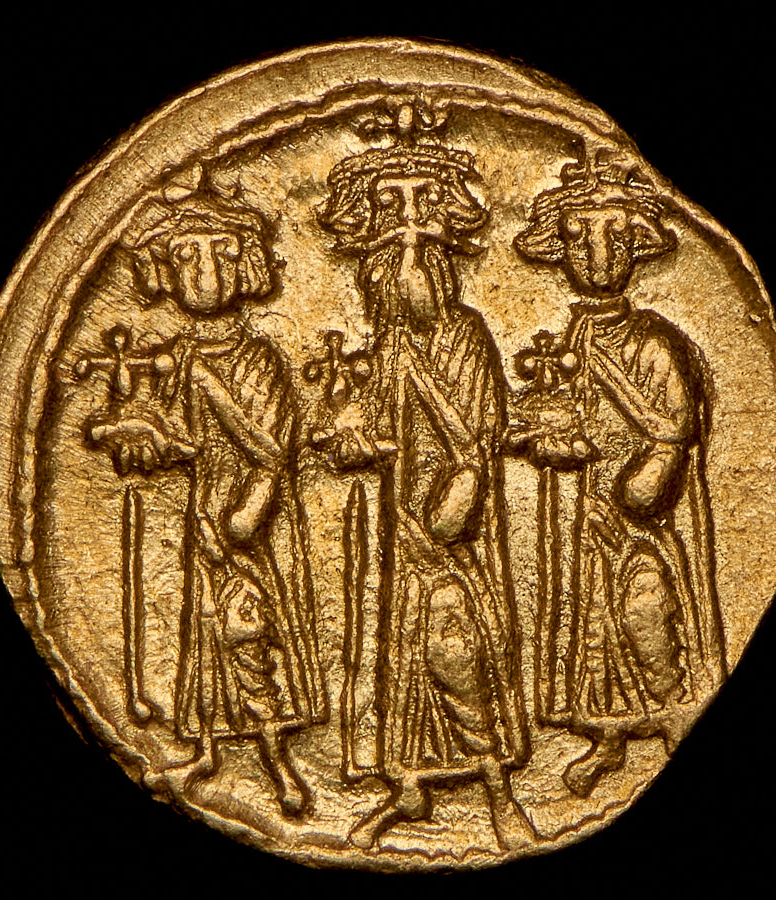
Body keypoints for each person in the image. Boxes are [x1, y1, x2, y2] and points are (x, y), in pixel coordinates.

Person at [316, 101, 534, 851]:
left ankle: (498, 786)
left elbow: (477, 434)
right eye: (392, 255)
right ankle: (409, 788)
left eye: (421, 253)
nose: (406, 271)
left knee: (456, 643)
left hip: (450, 529)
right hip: (397, 526)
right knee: (400, 649)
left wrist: (455, 499)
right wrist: (349, 438)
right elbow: (373, 432)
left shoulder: (467, 335)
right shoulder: (386, 345)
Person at [88, 161, 327, 815]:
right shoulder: (179, 358)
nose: (203, 272)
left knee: (253, 632)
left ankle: (280, 760)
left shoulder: (258, 359)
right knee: (207, 631)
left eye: (219, 254)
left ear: (244, 265)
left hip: (252, 518)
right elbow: (179, 441)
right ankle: (210, 751)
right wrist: (139, 434)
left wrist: (247, 511)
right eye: (187, 255)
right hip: (203, 510)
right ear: (165, 269)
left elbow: (271, 450)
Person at [511, 150, 726, 796]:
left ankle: (677, 708)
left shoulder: (653, 340)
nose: (596, 255)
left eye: (613, 236)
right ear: (560, 250)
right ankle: (609, 735)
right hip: (583, 508)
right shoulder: (564, 344)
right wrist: (541, 435)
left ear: (635, 246)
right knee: (591, 618)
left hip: (637, 511)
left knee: (645, 603)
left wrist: (650, 475)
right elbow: (550, 410)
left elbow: (675, 423)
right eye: (579, 238)